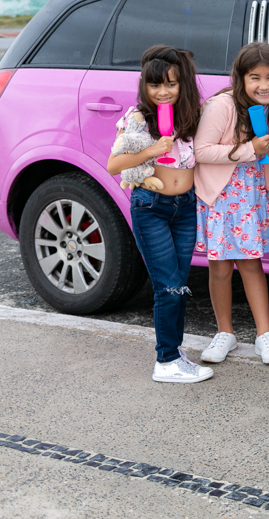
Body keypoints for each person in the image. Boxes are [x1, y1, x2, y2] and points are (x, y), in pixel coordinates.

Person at [107, 46, 212, 383]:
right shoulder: (137, 118)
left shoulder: (193, 116)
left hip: (185, 208)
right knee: (167, 287)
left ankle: (174, 351)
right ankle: (165, 361)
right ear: (145, 86)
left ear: (183, 84)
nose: (162, 92)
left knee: (178, 286)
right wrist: (153, 149)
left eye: (171, 84)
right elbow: (114, 165)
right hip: (152, 207)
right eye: (155, 86)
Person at [194, 43, 269, 366]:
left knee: (251, 263)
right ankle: (225, 332)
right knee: (220, 266)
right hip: (222, 198)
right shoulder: (223, 106)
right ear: (241, 78)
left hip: (251, 197)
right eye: (255, 77)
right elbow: (202, 151)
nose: (264, 85)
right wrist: (247, 147)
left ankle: (265, 335)